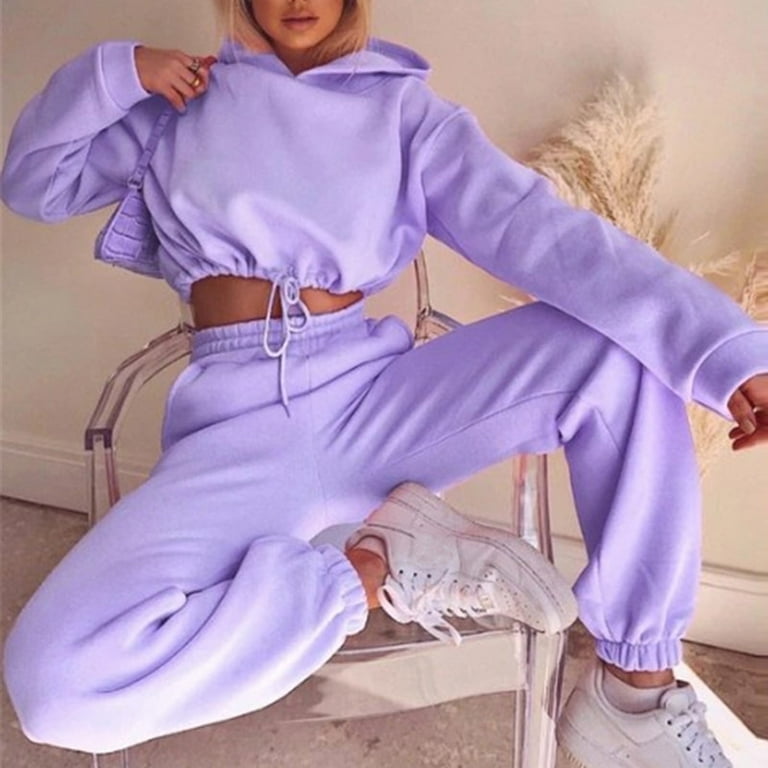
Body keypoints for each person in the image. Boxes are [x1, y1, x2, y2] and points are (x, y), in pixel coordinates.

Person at [1, 1, 766, 765]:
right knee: (55, 687)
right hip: (236, 439)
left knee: (620, 354)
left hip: (378, 408)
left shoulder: (402, 111)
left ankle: (635, 696)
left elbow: (552, 240)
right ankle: (376, 564)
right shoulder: (181, 102)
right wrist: (116, 71)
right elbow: (35, 184)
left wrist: (728, 350)